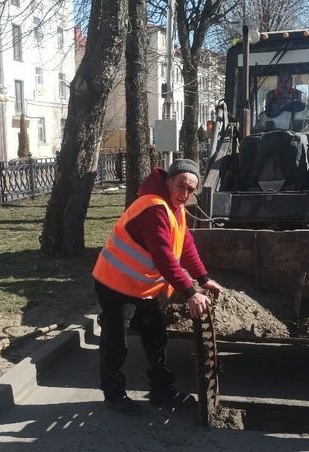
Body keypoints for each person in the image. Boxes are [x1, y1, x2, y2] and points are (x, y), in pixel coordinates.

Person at [92, 159, 223, 416]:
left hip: (141, 286)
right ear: (168, 182)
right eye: (181, 186)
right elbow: (164, 257)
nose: (185, 194)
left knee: (156, 336)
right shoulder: (154, 208)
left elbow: (185, 246)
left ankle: (161, 391)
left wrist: (203, 277)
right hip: (114, 283)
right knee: (116, 342)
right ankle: (114, 396)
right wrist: (190, 292)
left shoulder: (175, 208)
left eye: (190, 190)